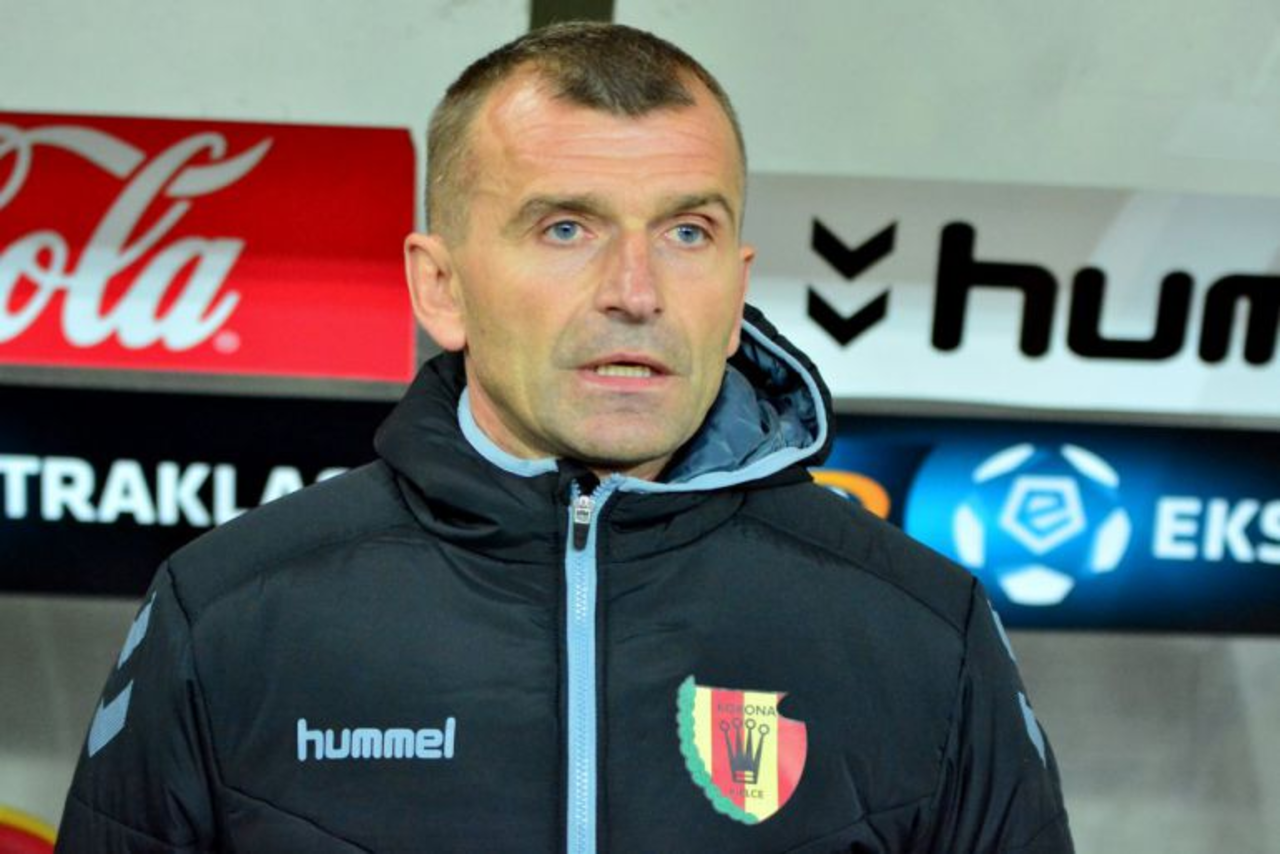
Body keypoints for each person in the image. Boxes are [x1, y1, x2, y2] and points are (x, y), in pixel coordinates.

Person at [57, 22, 1073, 854]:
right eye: (565, 228)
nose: (635, 292)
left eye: (685, 232)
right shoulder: (227, 610)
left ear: (736, 292)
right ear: (440, 286)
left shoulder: (921, 626)